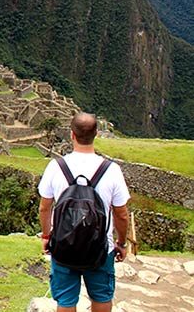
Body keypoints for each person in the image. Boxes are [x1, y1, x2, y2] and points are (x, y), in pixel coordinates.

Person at [38, 112, 130, 312]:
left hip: (63, 245)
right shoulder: (111, 170)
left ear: (72, 134)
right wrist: (121, 243)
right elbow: (121, 214)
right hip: (100, 248)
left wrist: (46, 235)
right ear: (96, 134)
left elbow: (45, 207)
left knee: (65, 301)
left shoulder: (56, 167)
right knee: (102, 296)